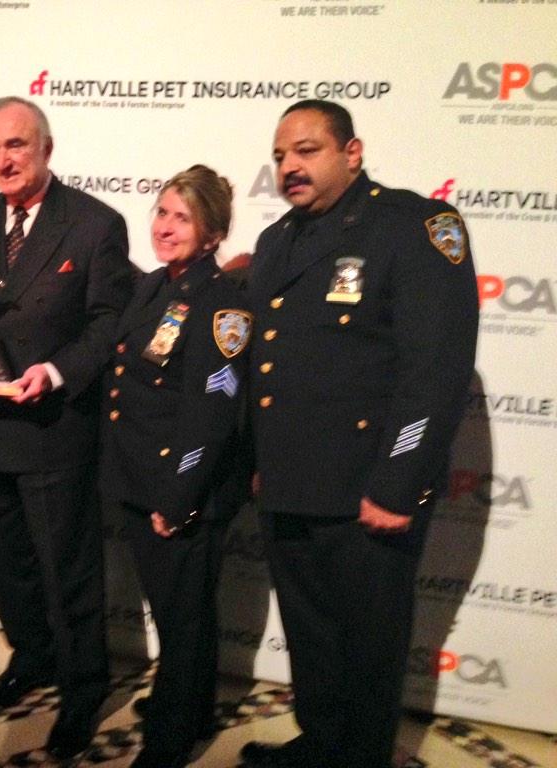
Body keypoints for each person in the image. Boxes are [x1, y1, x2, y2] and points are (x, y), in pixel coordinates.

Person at [241, 100, 479, 768]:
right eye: (280, 155)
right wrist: (261, 460)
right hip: (290, 482)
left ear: (353, 152)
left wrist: (397, 484)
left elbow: (435, 372)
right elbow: (271, 364)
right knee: (311, 635)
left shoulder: (415, 226)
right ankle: (321, 743)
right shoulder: (277, 241)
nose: (290, 166)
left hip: (366, 488)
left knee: (369, 648)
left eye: (307, 150)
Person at [0, 96, 134, 760]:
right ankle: (32, 657)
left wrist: (54, 371)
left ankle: (83, 689)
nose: (3, 160)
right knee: (4, 567)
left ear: (46, 148)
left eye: (15, 145)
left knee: (68, 573)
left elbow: (109, 322)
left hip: (52, 427)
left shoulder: (95, 224)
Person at [102, 165, 251, 768]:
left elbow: (212, 416)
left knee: (182, 618)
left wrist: (178, 497)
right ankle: (192, 707)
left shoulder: (223, 307)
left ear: (212, 234)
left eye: (182, 218)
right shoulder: (154, 286)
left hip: (182, 490)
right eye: (162, 212)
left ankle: (169, 739)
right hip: (144, 481)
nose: (164, 227)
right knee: (179, 612)